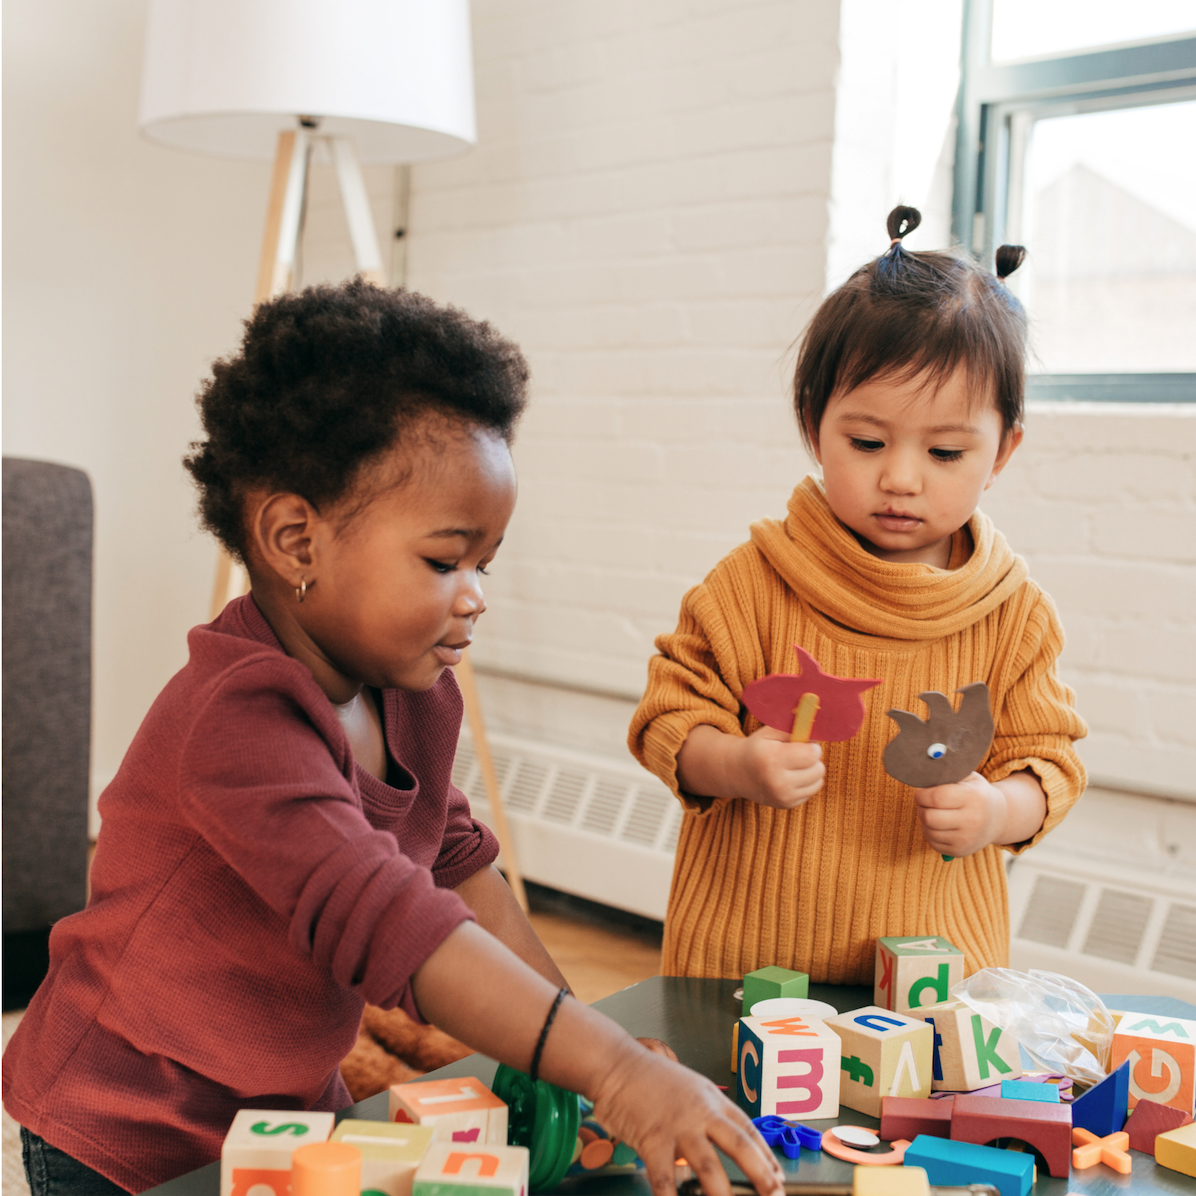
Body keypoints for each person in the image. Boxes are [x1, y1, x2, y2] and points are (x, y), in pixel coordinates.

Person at [3, 282, 783, 1196]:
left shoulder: (415, 691)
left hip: (288, 1106)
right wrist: (611, 1068)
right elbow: (393, 925)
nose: (476, 593)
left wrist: (584, 1039)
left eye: (484, 564)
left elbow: (456, 868)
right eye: (443, 560)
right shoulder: (237, 719)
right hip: (125, 1129)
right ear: (297, 541)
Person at [629, 207, 1087, 986]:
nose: (901, 478)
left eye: (945, 451)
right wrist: (738, 764)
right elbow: (667, 720)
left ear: (1003, 449)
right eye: (867, 442)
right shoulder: (751, 584)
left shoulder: (1014, 616)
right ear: (815, 426)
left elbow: (1049, 763)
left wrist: (997, 812)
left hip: (933, 975)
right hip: (746, 965)